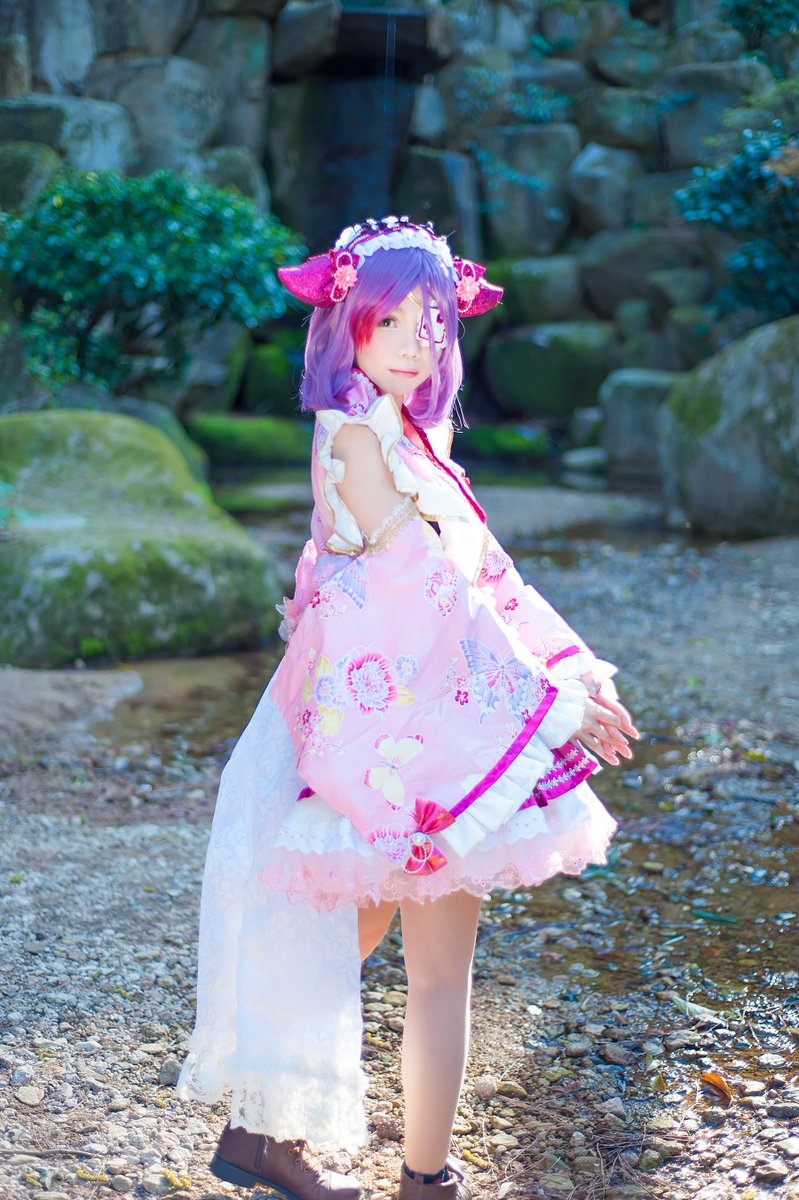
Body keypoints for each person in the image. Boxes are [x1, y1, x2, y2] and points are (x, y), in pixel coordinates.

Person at [177, 216, 638, 1200]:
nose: (417, 341)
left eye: (434, 320)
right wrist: (549, 702)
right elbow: (429, 588)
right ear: (348, 321)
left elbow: (489, 576)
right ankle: (419, 1177)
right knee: (424, 966)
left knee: (360, 937)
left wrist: (574, 668)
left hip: (410, 720)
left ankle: (264, 1135)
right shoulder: (355, 439)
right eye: (392, 319)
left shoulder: (406, 437)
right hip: (397, 736)